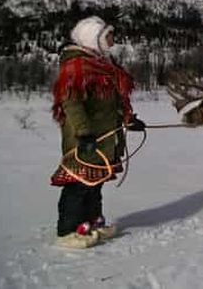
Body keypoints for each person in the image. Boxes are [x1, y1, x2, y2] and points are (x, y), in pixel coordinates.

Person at [49, 16, 146, 249]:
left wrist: (128, 119)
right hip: (85, 139)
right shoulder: (76, 66)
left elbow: (114, 101)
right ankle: (67, 231)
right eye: (108, 35)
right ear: (93, 38)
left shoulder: (104, 65)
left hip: (105, 138)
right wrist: (83, 133)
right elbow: (71, 102)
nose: (112, 39)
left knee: (96, 183)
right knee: (78, 185)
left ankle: (91, 223)